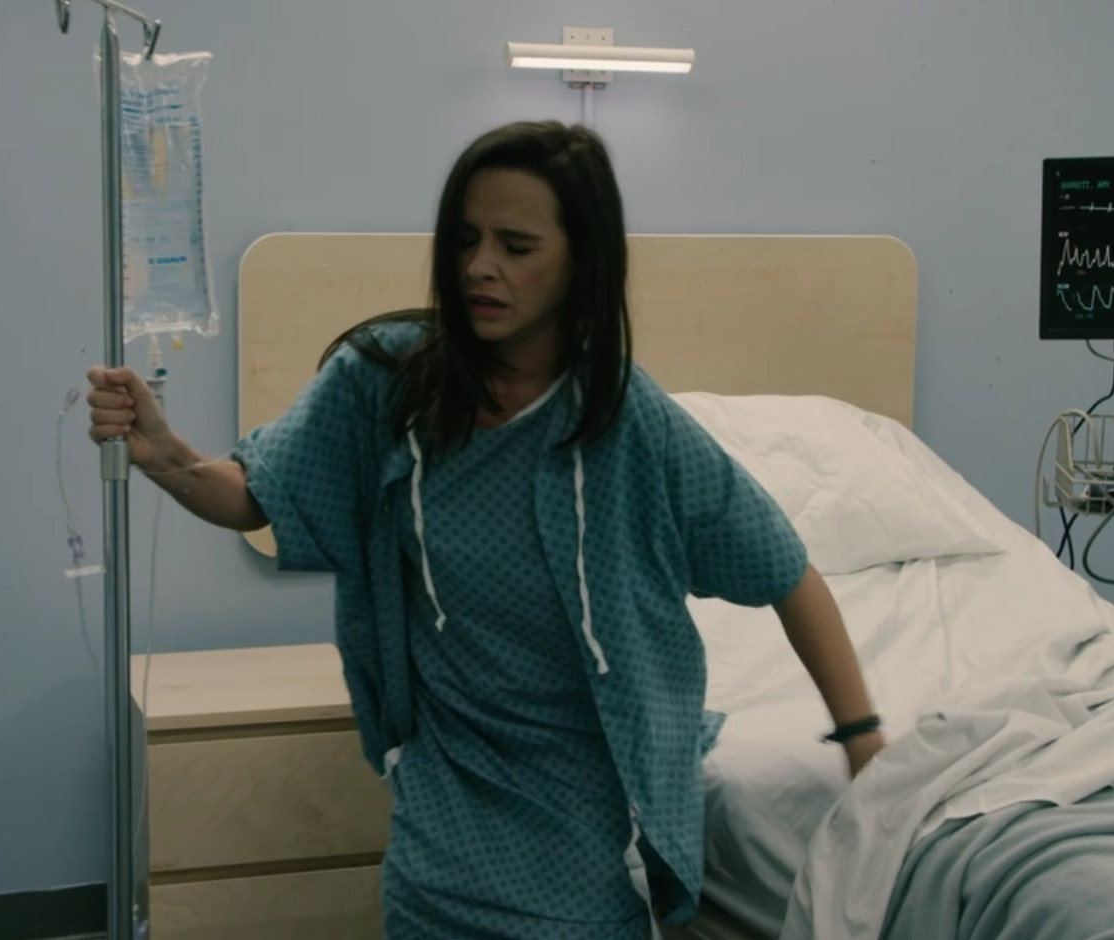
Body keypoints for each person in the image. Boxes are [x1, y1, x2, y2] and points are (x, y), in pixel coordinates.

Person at [87, 120, 885, 939]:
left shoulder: (630, 425)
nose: (479, 267)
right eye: (466, 240)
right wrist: (165, 455)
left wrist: (862, 742)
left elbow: (786, 571)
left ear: (582, 261)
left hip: (592, 790)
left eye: (517, 245)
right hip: (449, 786)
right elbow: (256, 496)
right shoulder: (387, 383)